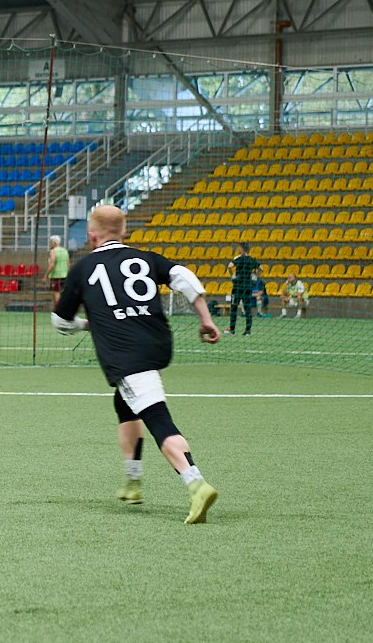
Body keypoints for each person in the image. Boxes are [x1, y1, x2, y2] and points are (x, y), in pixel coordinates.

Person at [52, 203, 221, 525]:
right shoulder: (146, 258)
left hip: (126, 354)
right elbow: (183, 277)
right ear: (124, 232)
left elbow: (60, 322)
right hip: (157, 343)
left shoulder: (84, 268)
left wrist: (88, 325)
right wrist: (205, 320)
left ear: (92, 236)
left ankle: (196, 484)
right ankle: (133, 482)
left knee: (157, 418)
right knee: (125, 403)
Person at [228, 243, 261, 335]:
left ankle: (232, 329)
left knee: (234, 307)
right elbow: (260, 268)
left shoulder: (238, 258)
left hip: (238, 286)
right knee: (247, 308)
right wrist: (255, 276)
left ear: (242, 249)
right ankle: (248, 330)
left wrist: (232, 276)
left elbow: (230, 266)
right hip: (247, 286)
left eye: (239, 247)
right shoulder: (251, 259)